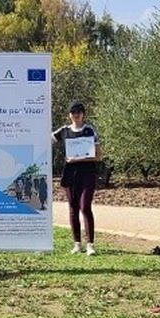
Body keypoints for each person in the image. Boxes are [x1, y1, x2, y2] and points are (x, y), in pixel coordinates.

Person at [54, 101, 102, 255]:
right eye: (73, 112)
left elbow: (99, 156)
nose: (76, 115)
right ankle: (77, 244)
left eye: (79, 112)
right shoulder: (64, 131)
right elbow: (45, 140)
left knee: (85, 207)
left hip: (87, 174)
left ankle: (90, 245)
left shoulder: (89, 130)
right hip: (70, 175)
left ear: (83, 115)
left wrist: (79, 159)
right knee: (73, 209)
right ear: (69, 115)